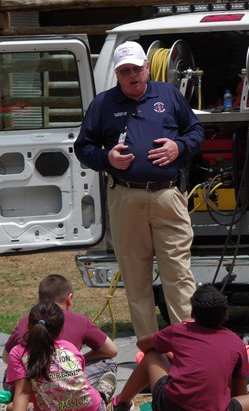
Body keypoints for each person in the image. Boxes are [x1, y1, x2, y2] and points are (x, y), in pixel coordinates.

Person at [74, 41, 204, 338]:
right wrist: (106, 158)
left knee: (179, 276)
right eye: (125, 71)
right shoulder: (103, 104)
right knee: (135, 278)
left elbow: (196, 130)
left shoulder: (169, 95)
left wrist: (178, 146)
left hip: (167, 195)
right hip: (125, 195)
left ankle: (188, 346)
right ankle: (150, 352)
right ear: (117, 75)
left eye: (136, 68)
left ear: (147, 67)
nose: (132, 75)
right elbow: (83, 147)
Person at [111, 285, 249, 411]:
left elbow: (143, 346)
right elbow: (239, 394)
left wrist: (171, 351)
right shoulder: (236, 342)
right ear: (226, 315)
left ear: (192, 313)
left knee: (153, 354)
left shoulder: (178, 331)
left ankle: (121, 403)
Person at [2, 302, 116, 411]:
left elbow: (23, 392)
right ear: (61, 329)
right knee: (90, 392)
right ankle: (103, 394)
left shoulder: (19, 353)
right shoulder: (70, 348)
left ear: (28, 326)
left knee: (14, 407)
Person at [2, 274, 118, 389]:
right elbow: (111, 351)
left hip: (28, 384)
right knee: (108, 364)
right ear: (69, 298)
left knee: (11, 371)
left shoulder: (25, 321)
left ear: (38, 300)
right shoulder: (79, 321)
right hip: (63, 383)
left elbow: (7, 357)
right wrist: (79, 360)